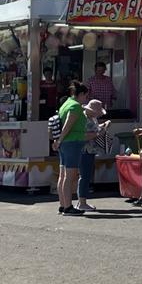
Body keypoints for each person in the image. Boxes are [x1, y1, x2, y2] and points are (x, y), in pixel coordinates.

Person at [53, 82, 90, 216]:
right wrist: (60, 139)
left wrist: (58, 141)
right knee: (70, 176)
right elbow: (68, 124)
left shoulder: (66, 103)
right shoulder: (75, 107)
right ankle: (68, 206)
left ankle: (63, 205)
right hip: (72, 143)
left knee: (63, 175)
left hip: (66, 144)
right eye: (85, 96)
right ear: (80, 94)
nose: (86, 99)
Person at [79, 99, 110, 212]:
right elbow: (84, 136)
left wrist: (103, 126)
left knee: (86, 176)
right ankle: (82, 202)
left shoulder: (91, 118)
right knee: (85, 176)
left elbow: (94, 129)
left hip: (90, 150)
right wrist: (99, 132)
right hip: (85, 150)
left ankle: (82, 201)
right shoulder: (84, 119)